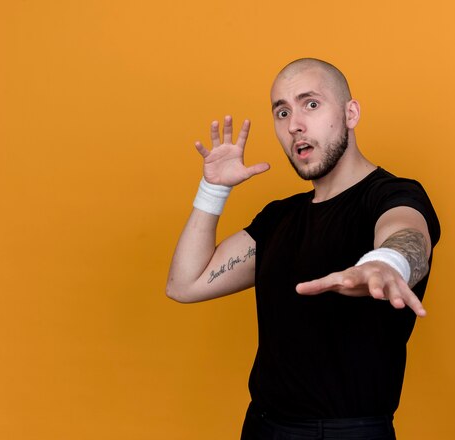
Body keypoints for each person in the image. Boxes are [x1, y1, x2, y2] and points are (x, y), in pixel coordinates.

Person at [166, 58, 440, 440]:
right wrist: (213, 190)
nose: (294, 124)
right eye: (282, 111)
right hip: (262, 427)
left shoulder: (392, 195)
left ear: (350, 113)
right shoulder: (279, 218)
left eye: (310, 104)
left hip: (347, 432)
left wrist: (387, 263)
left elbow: (406, 233)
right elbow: (184, 283)